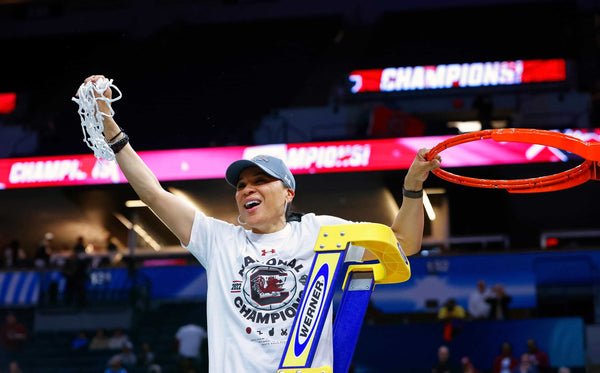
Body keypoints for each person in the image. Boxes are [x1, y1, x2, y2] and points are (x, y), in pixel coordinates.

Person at [77, 75, 441, 373]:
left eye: (260, 181)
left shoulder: (321, 232)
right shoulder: (218, 241)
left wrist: (411, 188)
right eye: (240, 185)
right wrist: (110, 125)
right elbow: (154, 194)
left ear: (288, 193)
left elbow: (403, 245)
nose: (246, 189)